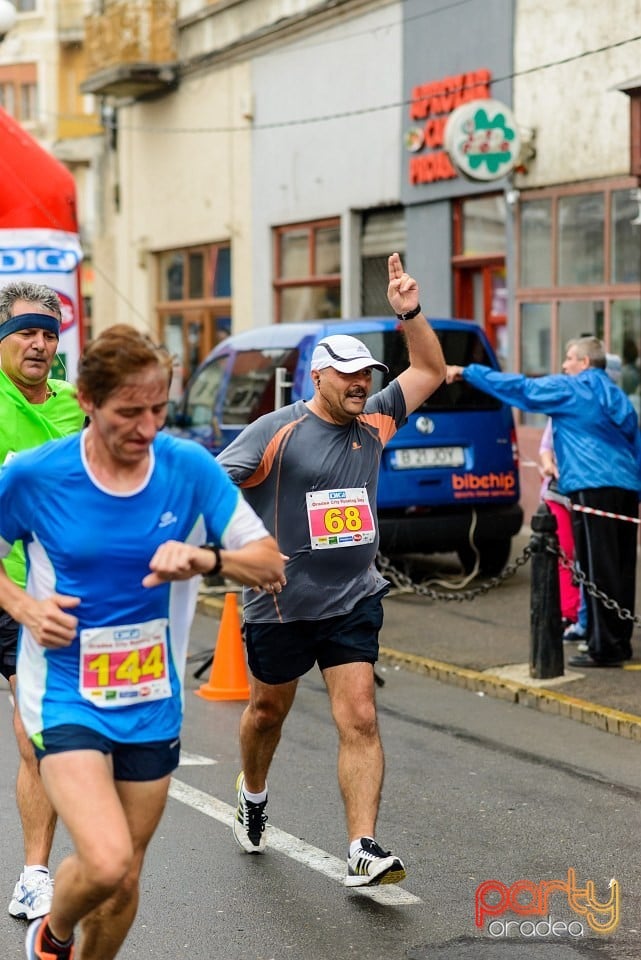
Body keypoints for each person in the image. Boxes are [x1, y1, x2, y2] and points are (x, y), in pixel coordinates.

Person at [0, 324, 286, 960]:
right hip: (65, 693)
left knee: (126, 879)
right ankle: (51, 936)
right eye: (129, 412)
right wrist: (22, 604)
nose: (146, 427)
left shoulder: (186, 468)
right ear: (87, 402)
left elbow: (270, 562)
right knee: (103, 862)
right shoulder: (36, 475)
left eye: (158, 409)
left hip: (151, 699)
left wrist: (205, 559)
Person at [218, 252, 446, 886]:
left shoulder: (375, 419)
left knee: (362, 716)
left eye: (365, 373)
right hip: (281, 603)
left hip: (352, 596)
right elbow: (209, 488)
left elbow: (428, 367)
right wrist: (245, 550)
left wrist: (411, 312)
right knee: (267, 713)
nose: (358, 382)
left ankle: (362, 848)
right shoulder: (275, 430)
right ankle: (254, 794)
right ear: (317, 376)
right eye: (346, 374)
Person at [447, 335, 641, 668]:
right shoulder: (617, 395)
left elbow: (522, 389)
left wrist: (468, 373)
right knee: (622, 568)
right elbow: (635, 440)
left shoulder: (572, 388)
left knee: (597, 569)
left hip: (591, 487)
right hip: (625, 489)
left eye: (568, 358)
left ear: (583, 363)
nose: (564, 365)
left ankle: (604, 648)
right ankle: (617, 642)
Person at [0, 281, 86, 923]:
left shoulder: (71, 406)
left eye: (48, 333)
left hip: (40, 596)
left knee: (38, 735)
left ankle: (34, 872)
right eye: (26, 331)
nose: (39, 343)